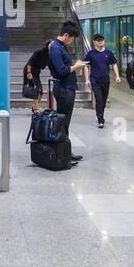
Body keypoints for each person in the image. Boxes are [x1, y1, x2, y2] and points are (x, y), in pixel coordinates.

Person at [48, 21, 85, 162]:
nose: (72, 41)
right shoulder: (56, 48)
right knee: (63, 122)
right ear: (65, 35)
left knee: (64, 122)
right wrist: (75, 67)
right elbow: (62, 71)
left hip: (67, 88)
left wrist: (74, 65)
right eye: (72, 38)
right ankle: (61, 153)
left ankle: (65, 151)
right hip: (63, 88)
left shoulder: (60, 47)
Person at [83, 33, 120, 128]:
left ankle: (99, 114)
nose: (100, 41)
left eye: (102, 40)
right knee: (99, 99)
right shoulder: (91, 54)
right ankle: (101, 120)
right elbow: (86, 66)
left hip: (106, 80)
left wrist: (117, 76)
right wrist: (87, 79)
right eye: (98, 40)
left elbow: (114, 64)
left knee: (103, 100)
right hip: (95, 80)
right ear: (94, 42)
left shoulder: (108, 53)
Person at [23, 40, 51, 115]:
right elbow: (30, 62)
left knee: (40, 92)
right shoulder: (39, 51)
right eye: (51, 45)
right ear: (47, 45)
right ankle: (36, 109)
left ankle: (34, 106)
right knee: (37, 91)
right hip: (30, 70)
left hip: (36, 72)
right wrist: (29, 73)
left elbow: (50, 66)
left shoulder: (49, 55)